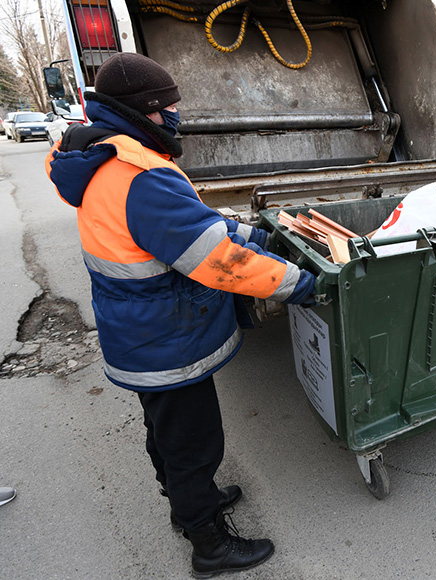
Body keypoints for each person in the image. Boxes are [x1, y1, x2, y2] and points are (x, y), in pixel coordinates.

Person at [45, 53, 315, 577]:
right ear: (143, 110)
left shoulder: (108, 156)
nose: (175, 116)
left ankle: (189, 504)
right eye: (168, 106)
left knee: (166, 431)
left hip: (140, 329)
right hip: (167, 333)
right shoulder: (138, 175)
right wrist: (298, 284)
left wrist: (255, 233)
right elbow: (214, 260)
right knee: (194, 441)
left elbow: (189, 226)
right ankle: (209, 542)